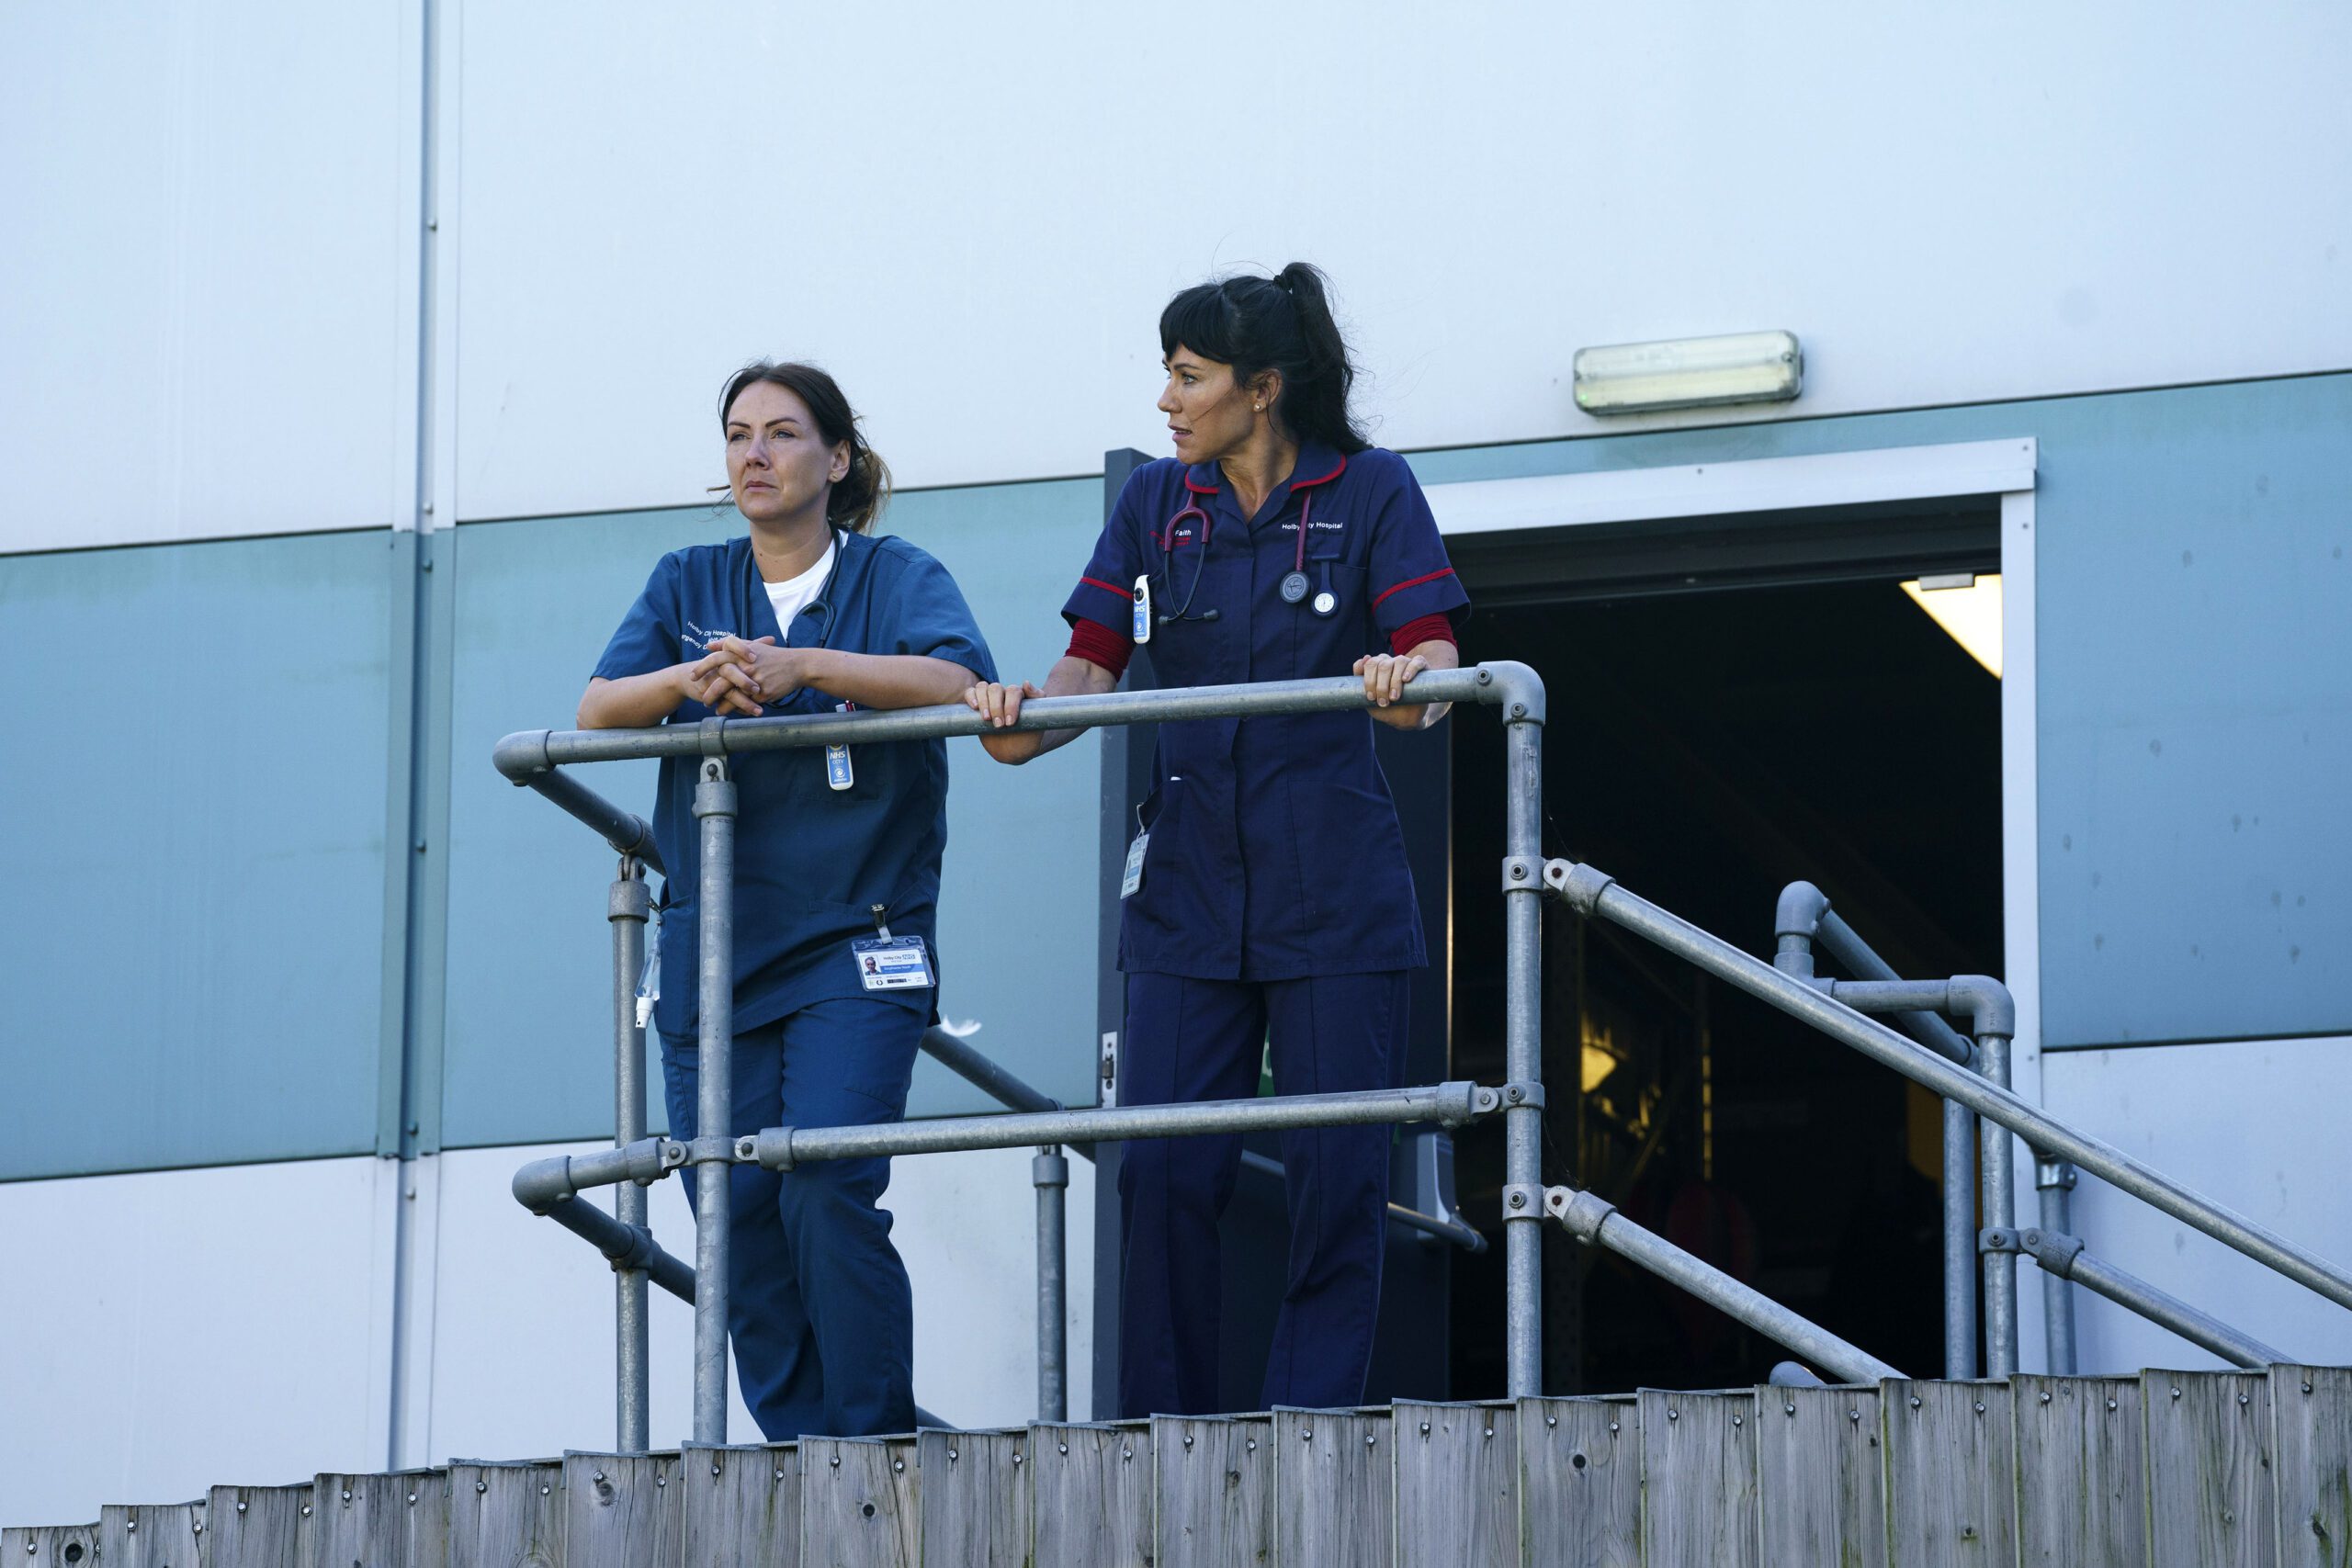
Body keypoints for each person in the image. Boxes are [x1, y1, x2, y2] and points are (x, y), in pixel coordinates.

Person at [964, 264, 1469, 1416]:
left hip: (1332, 888)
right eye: (1168, 377)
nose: (1167, 402)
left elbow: (1434, 664)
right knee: (1162, 1168)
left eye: (1187, 378)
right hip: (1188, 890)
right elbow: (1088, 664)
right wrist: (1016, 718)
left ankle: (1312, 1424)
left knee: (1335, 1174)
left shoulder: (1371, 490)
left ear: (1263, 388)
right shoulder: (1153, 504)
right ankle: (1162, 1431)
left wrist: (1408, 678)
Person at [580, 360, 996, 1439]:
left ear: (838, 458)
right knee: (737, 1219)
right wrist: (690, 684)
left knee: (822, 1188)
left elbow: (960, 681)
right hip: (716, 949)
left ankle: (873, 1455)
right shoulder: (688, 578)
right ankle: (802, 1462)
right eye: (736, 436)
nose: (754, 454)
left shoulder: (896, 575)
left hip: (857, 945)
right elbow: (596, 708)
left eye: (781, 433)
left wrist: (805, 666)